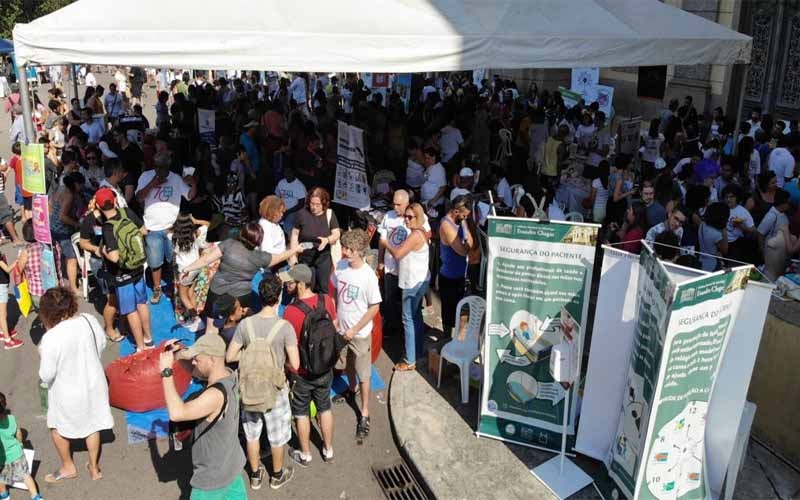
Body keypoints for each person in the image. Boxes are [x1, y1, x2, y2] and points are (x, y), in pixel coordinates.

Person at [226, 274, 299, 491]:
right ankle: (277, 475)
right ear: (278, 297)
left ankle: (255, 475)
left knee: (252, 433)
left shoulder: (245, 324)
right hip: (275, 389)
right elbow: (294, 363)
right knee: (277, 436)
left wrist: (250, 357)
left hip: (249, 386)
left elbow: (230, 357)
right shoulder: (284, 327)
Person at [38, 287, 113, 483]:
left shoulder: (50, 338)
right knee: (93, 424)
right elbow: (102, 344)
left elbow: (46, 375)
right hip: (94, 382)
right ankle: (94, 468)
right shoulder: (88, 320)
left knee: (56, 427)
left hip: (67, 392)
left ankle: (68, 466)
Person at [159, 334, 248, 499]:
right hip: (232, 468)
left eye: (197, 359)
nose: (193, 362)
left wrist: (166, 371)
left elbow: (177, 413)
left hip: (211, 481)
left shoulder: (214, 395)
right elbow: (196, 370)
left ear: (212, 360)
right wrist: (177, 353)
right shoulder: (229, 375)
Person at [183, 222, 301, 331]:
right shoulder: (261, 257)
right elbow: (280, 257)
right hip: (240, 296)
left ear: (242, 233)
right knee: (236, 328)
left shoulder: (228, 244)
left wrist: (187, 269)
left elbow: (205, 260)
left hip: (217, 291)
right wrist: (294, 250)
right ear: (259, 240)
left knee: (211, 327)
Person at [280, 264, 337, 467]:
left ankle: (305, 454)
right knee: (325, 408)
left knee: (301, 412)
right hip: (325, 368)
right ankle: (328, 449)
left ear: (301, 285)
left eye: (291, 281)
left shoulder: (290, 312)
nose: (287, 284)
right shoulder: (328, 301)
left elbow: (289, 347)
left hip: (302, 372)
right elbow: (335, 328)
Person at [331, 229, 382, 442]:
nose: (344, 252)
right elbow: (334, 290)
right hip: (342, 330)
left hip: (359, 334)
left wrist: (355, 328)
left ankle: (365, 412)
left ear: (359, 252)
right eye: (344, 248)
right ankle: (351, 390)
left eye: (348, 250)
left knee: (364, 373)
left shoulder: (368, 276)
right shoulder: (341, 267)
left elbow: (374, 308)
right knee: (347, 364)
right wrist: (334, 316)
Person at [136, 150, 197, 304]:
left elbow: (189, 196)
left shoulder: (176, 179)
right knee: (155, 262)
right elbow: (138, 197)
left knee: (174, 260)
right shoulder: (146, 176)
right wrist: (152, 184)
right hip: (152, 227)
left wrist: (194, 183)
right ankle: (157, 288)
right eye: (157, 166)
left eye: (162, 167)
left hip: (171, 227)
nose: (159, 170)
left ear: (168, 166)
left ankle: (174, 287)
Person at [98, 187, 154, 351]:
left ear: (100, 207)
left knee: (130, 310)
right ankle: (149, 338)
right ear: (114, 201)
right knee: (142, 303)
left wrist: (103, 252)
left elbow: (114, 257)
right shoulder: (127, 212)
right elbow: (144, 231)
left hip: (122, 274)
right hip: (138, 266)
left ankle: (140, 346)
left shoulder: (108, 227)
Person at [386, 203, 430, 371]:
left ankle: (410, 359)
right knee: (416, 316)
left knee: (408, 319)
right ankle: (417, 352)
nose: (406, 219)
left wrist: (385, 243)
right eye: (405, 216)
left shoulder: (415, 235)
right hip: (420, 281)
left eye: (410, 217)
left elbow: (397, 254)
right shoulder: (419, 233)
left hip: (413, 283)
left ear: (418, 218)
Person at [289, 187, 341, 293]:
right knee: (307, 287)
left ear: (324, 204)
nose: (314, 207)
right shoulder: (302, 214)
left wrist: (327, 240)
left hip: (323, 257)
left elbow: (336, 233)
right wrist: (293, 256)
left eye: (317, 205)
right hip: (305, 257)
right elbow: (294, 235)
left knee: (323, 287)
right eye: (312, 203)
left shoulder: (330, 214)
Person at [438, 196, 474, 338]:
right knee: (448, 316)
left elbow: (470, 244)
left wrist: (464, 225)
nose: (465, 218)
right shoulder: (446, 226)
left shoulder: (459, 221)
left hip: (460, 275)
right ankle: (446, 342)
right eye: (464, 215)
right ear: (456, 212)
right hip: (449, 277)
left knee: (461, 313)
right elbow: (464, 250)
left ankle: (457, 342)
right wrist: (466, 232)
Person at [0, 393, 43, 499]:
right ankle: (35, 495)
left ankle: (4, 495)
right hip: (18, 454)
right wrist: (20, 443)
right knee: (26, 476)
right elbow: (18, 432)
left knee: (2, 479)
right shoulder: (11, 418)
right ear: (5, 404)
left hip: (3, 459)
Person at [172, 214, 210, 330]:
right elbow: (208, 224)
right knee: (191, 293)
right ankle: (193, 319)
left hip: (185, 270)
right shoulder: (195, 234)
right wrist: (196, 220)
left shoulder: (174, 237)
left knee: (183, 295)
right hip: (196, 266)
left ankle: (196, 319)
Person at [50, 171, 85, 294]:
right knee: (72, 258)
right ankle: (73, 288)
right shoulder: (69, 195)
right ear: (76, 184)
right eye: (81, 185)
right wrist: (77, 224)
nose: (81, 188)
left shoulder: (60, 189)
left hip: (53, 227)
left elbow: (51, 204)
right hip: (63, 231)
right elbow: (63, 216)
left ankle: (65, 278)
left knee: (63, 255)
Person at [723, 184, 757, 263]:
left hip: (736, 244)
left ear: (737, 198)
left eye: (731, 197)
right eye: (726, 197)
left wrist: (741, 226)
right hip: (721, 242)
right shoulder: (721, 208)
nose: (728, 199)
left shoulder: (743, 212)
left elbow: (753, 230)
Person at [698, 202, 730, 272]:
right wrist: (724, 232)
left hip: (701, 259)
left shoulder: (702, 224)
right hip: (713, 264)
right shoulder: (716, 235)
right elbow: (725, 250)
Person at [275, 167, 306, 235]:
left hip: (295, 210)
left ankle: (292, 241)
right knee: (271, 220)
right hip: (282, 208)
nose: (287, 174)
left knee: (288, 225)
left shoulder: (299, 186)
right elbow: (277, 195)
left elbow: (301, 204)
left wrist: (287, 212)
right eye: (285, 172)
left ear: (293, 173)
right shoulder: (281, 183)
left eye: (289, 172)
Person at [419, 147, 448, 218]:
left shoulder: (439, 169)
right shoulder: (430, 166)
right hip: (427, 202)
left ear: (434, 157)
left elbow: (443, 187)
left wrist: (433, 201)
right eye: (425, 158)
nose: (426, 160)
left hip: (434, 204)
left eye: (428, 158)